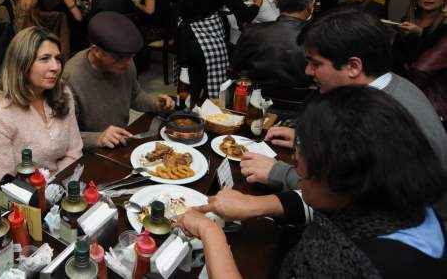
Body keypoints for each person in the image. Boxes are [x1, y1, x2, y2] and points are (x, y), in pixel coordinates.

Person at [178, 87, 447, 278]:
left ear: (340, 174)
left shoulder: (345, 262)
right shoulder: (402, 205)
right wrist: (256, 205)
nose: (295, 161)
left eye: (302, 151)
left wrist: (209, 232)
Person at [240, 7, 447, 192]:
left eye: (316, 64)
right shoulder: (392, 85)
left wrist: (279, 173)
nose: (308, 71)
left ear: (353, 67)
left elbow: (352, 195)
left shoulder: (383, 118)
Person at [0, 27, 83, 224]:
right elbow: (0, 191)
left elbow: (74, 153)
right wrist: (47, 199)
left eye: (58, 59)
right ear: (22, 63)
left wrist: (54, 193)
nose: (55, 66)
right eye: (45, 58)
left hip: (55, 196)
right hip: (4, 215)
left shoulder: (63, 93)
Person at [62, 12, 174, 149]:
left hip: (120, 141)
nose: (128, 63)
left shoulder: (125, 60)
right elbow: (64, 137)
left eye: (131, 56)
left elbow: (134, 95)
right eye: (120, 58)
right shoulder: (71, 79)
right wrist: (98, 138)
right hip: (91, 153)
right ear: (97, 51)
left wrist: (155, 103)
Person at [231, 0, 316, 92]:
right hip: (300, 105)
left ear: (277, 1)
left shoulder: (252, 32)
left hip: (254, 103)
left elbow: (235, 70)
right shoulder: (318, 38)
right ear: (310, 5)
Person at [393, 0, 447, 119]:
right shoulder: (408, 20)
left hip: (431, 95)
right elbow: (396, 57)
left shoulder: (445, 25)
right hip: (401, 87)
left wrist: (420, 34)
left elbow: (425, 66)